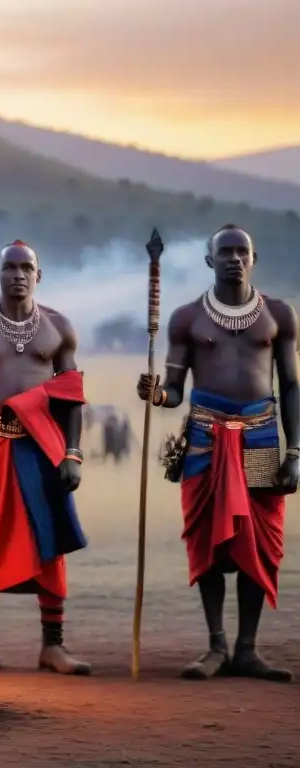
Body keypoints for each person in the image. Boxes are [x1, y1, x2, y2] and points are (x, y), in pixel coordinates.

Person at [137, 224, 297, 682]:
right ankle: (216, 647)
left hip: (261, 438)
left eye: (241, 251)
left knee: (257, 546)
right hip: (205, 440)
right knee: (207, 541)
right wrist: (156, 396)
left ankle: (247, 649)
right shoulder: (187, 318)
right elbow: (173, 390)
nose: (233, 258)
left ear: (254, 258)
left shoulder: (280, 316)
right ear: (209, 260)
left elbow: (290, 385)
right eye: (224, 252)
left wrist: (297, 450)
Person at [0, 240, 91, 675]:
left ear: (38, 275)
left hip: (43, 444)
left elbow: (71, 397)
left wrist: (73, 452)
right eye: (9, 267)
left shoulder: (59, 327)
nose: (18, 274)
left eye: (26, 267)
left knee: (50, 540)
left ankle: (53, 646)